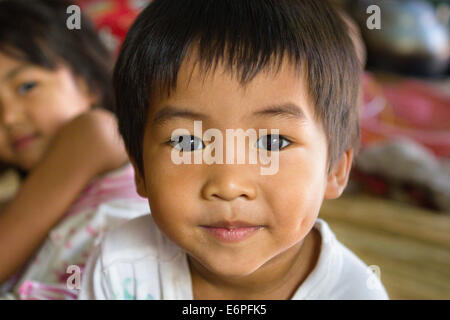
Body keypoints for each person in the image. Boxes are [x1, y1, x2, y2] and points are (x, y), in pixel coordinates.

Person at [80, 0, 389, 300]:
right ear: (140, 170)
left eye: (273, 142)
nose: (228, 185)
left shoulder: (356, 293)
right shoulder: (121, 268)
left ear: (335, 169)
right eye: (188, 143)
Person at [0, 0, 148, 299]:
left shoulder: (94, 133)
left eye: (27, 86)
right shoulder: (18, 205)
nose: (9, 117)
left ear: (87, 84)